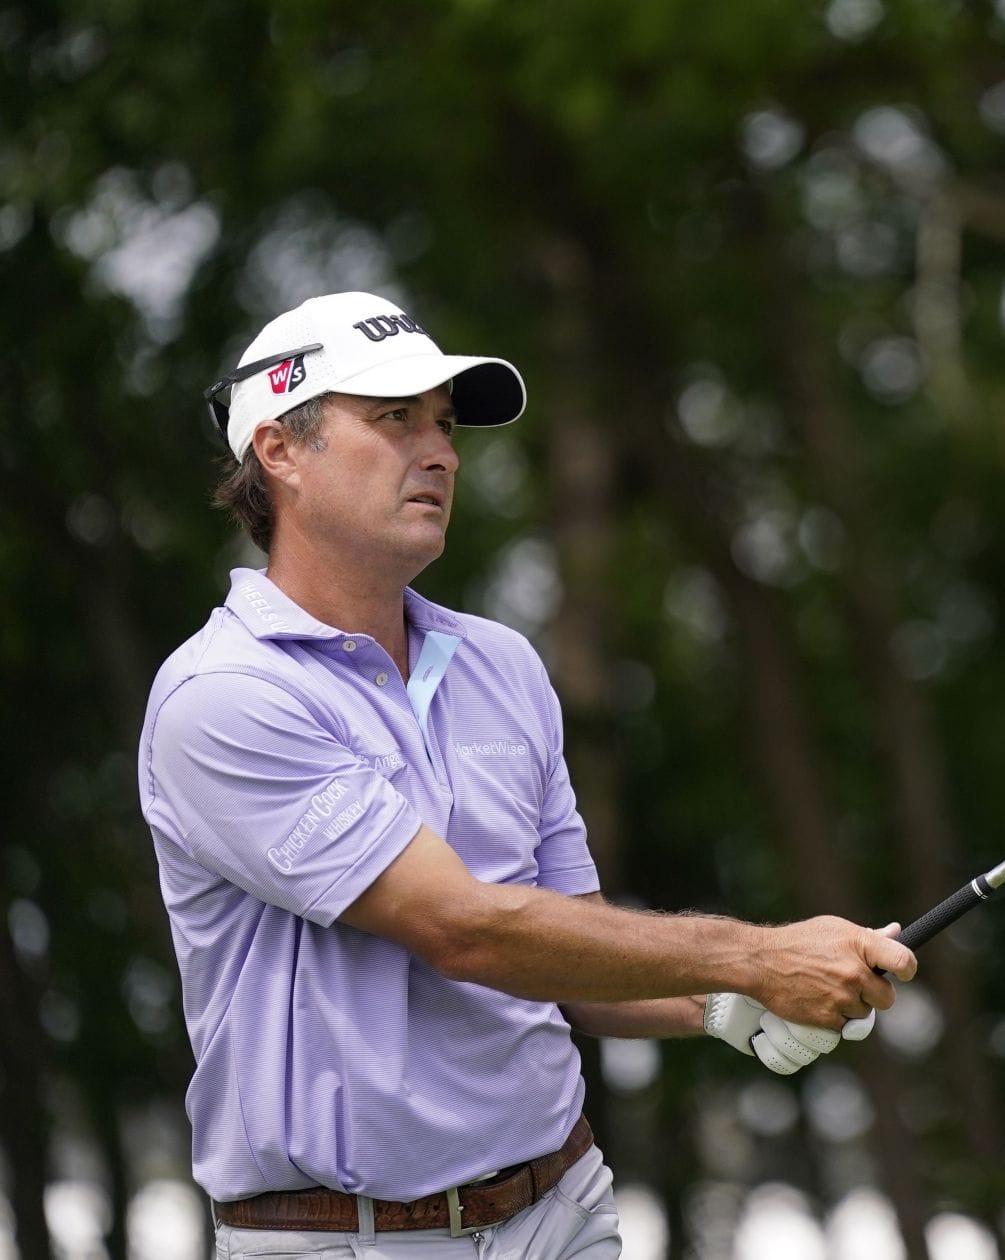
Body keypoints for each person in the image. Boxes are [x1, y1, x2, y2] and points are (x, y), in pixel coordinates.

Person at [136, 291, 916, 1258]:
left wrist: (725, 1008)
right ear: (280, 450)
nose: (442, 453)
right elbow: (462, 929)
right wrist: (755, 959)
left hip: (563, 1212)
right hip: (342, 1241)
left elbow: (569, 954)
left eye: (445, 424)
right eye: (395, 417)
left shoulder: (500, 665)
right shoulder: (224, 696)